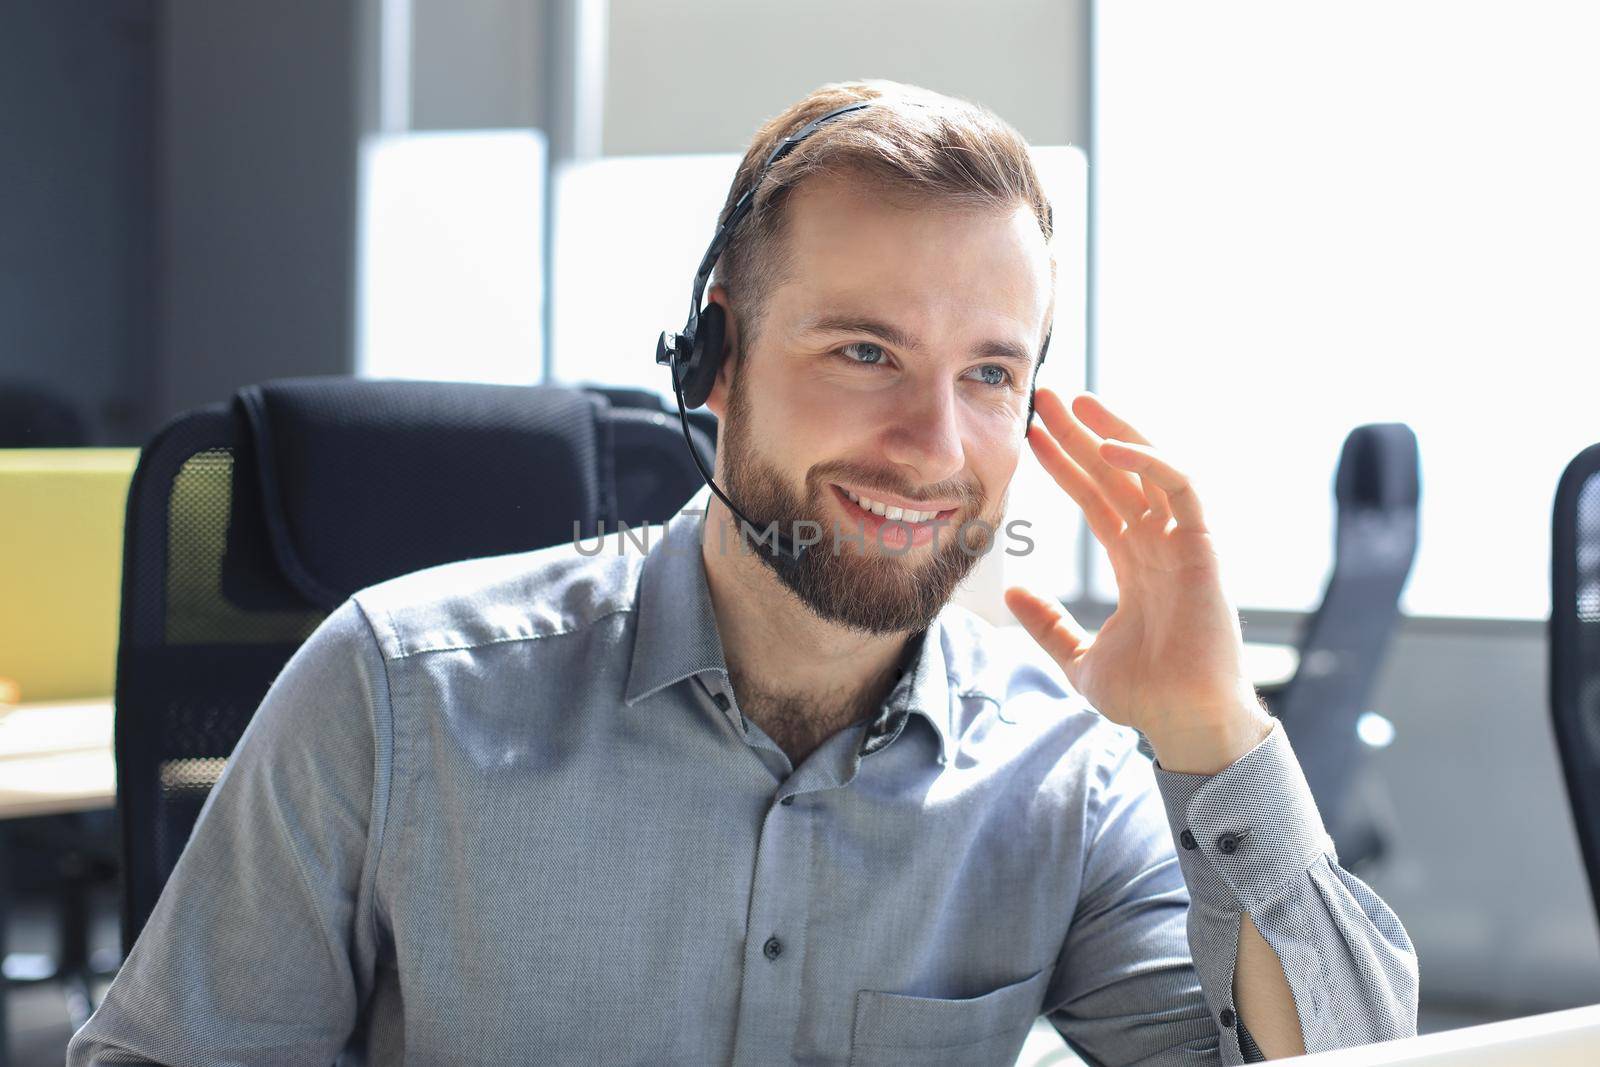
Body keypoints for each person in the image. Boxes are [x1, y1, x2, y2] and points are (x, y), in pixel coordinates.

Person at [68, 79, 1417, 1066]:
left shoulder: (1060, 774)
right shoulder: (397, 695)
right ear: (714, 365)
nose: (932, 446)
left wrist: (1219, 739)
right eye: (865, 353)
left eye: (990, 374)